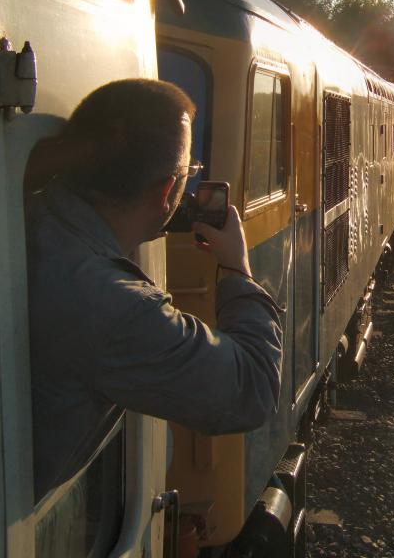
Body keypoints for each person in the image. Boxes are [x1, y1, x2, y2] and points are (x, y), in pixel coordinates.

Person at [27, 79, 282, 503]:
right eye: (187, 173)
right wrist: (237, 268)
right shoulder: (116, 306)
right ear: (166, 191)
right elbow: (252, 389)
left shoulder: (32, 217)